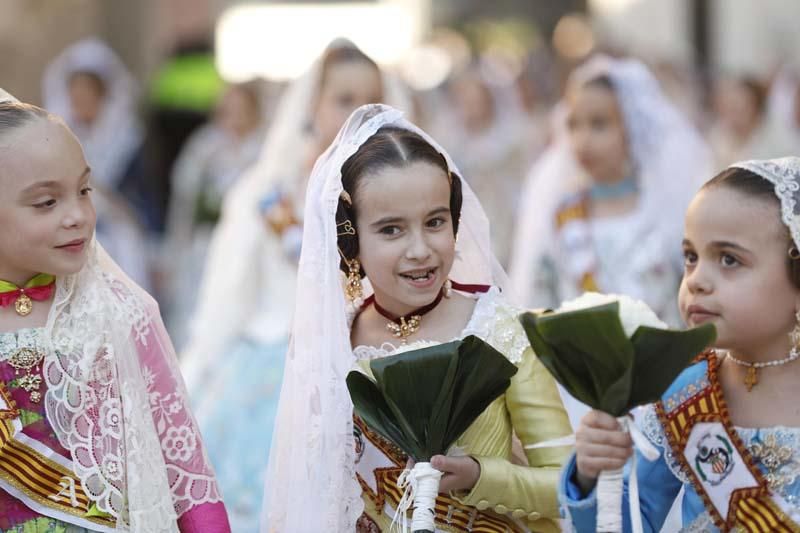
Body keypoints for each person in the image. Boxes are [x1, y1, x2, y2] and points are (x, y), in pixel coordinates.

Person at [261, 104, 573, 533]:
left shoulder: (499, 328)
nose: (420, 249)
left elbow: (570, 486)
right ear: (350, 240)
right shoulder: (335, 339)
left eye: (435, 222)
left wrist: (481, 477)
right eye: (391, 229)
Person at [179, 40, 407, 532]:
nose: (362, 113)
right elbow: (227, 299)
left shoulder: (401, 191)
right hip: (273, 369)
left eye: (374, 99)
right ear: (313, 105)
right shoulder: (269, 191)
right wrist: (194, 379)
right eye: (345, 99)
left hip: (371, 368)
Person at [0, 91, 229, 531]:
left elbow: (186, 473)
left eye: (84, 191)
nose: (79, 216)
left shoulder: (122, 315)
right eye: (47, 202)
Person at [561, 157, 800, 531]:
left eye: (728, 259)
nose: (697, 280)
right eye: (690, 257)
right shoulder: (681, 391)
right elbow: (634, 520)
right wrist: (593, 476)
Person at [509, 55, 712, 328]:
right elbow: (540, 300)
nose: (583, 139)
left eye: (599, 124)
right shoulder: (562, 212)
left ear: (632, 127)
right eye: (574, 125)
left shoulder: (665, 210)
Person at [163, 82, 265, 348]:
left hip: (248, 244)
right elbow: (184, 200)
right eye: (228, 110)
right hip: (206, 244)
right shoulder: (204, 146)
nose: (234, 117)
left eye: (241, 110)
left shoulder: (264, 149)